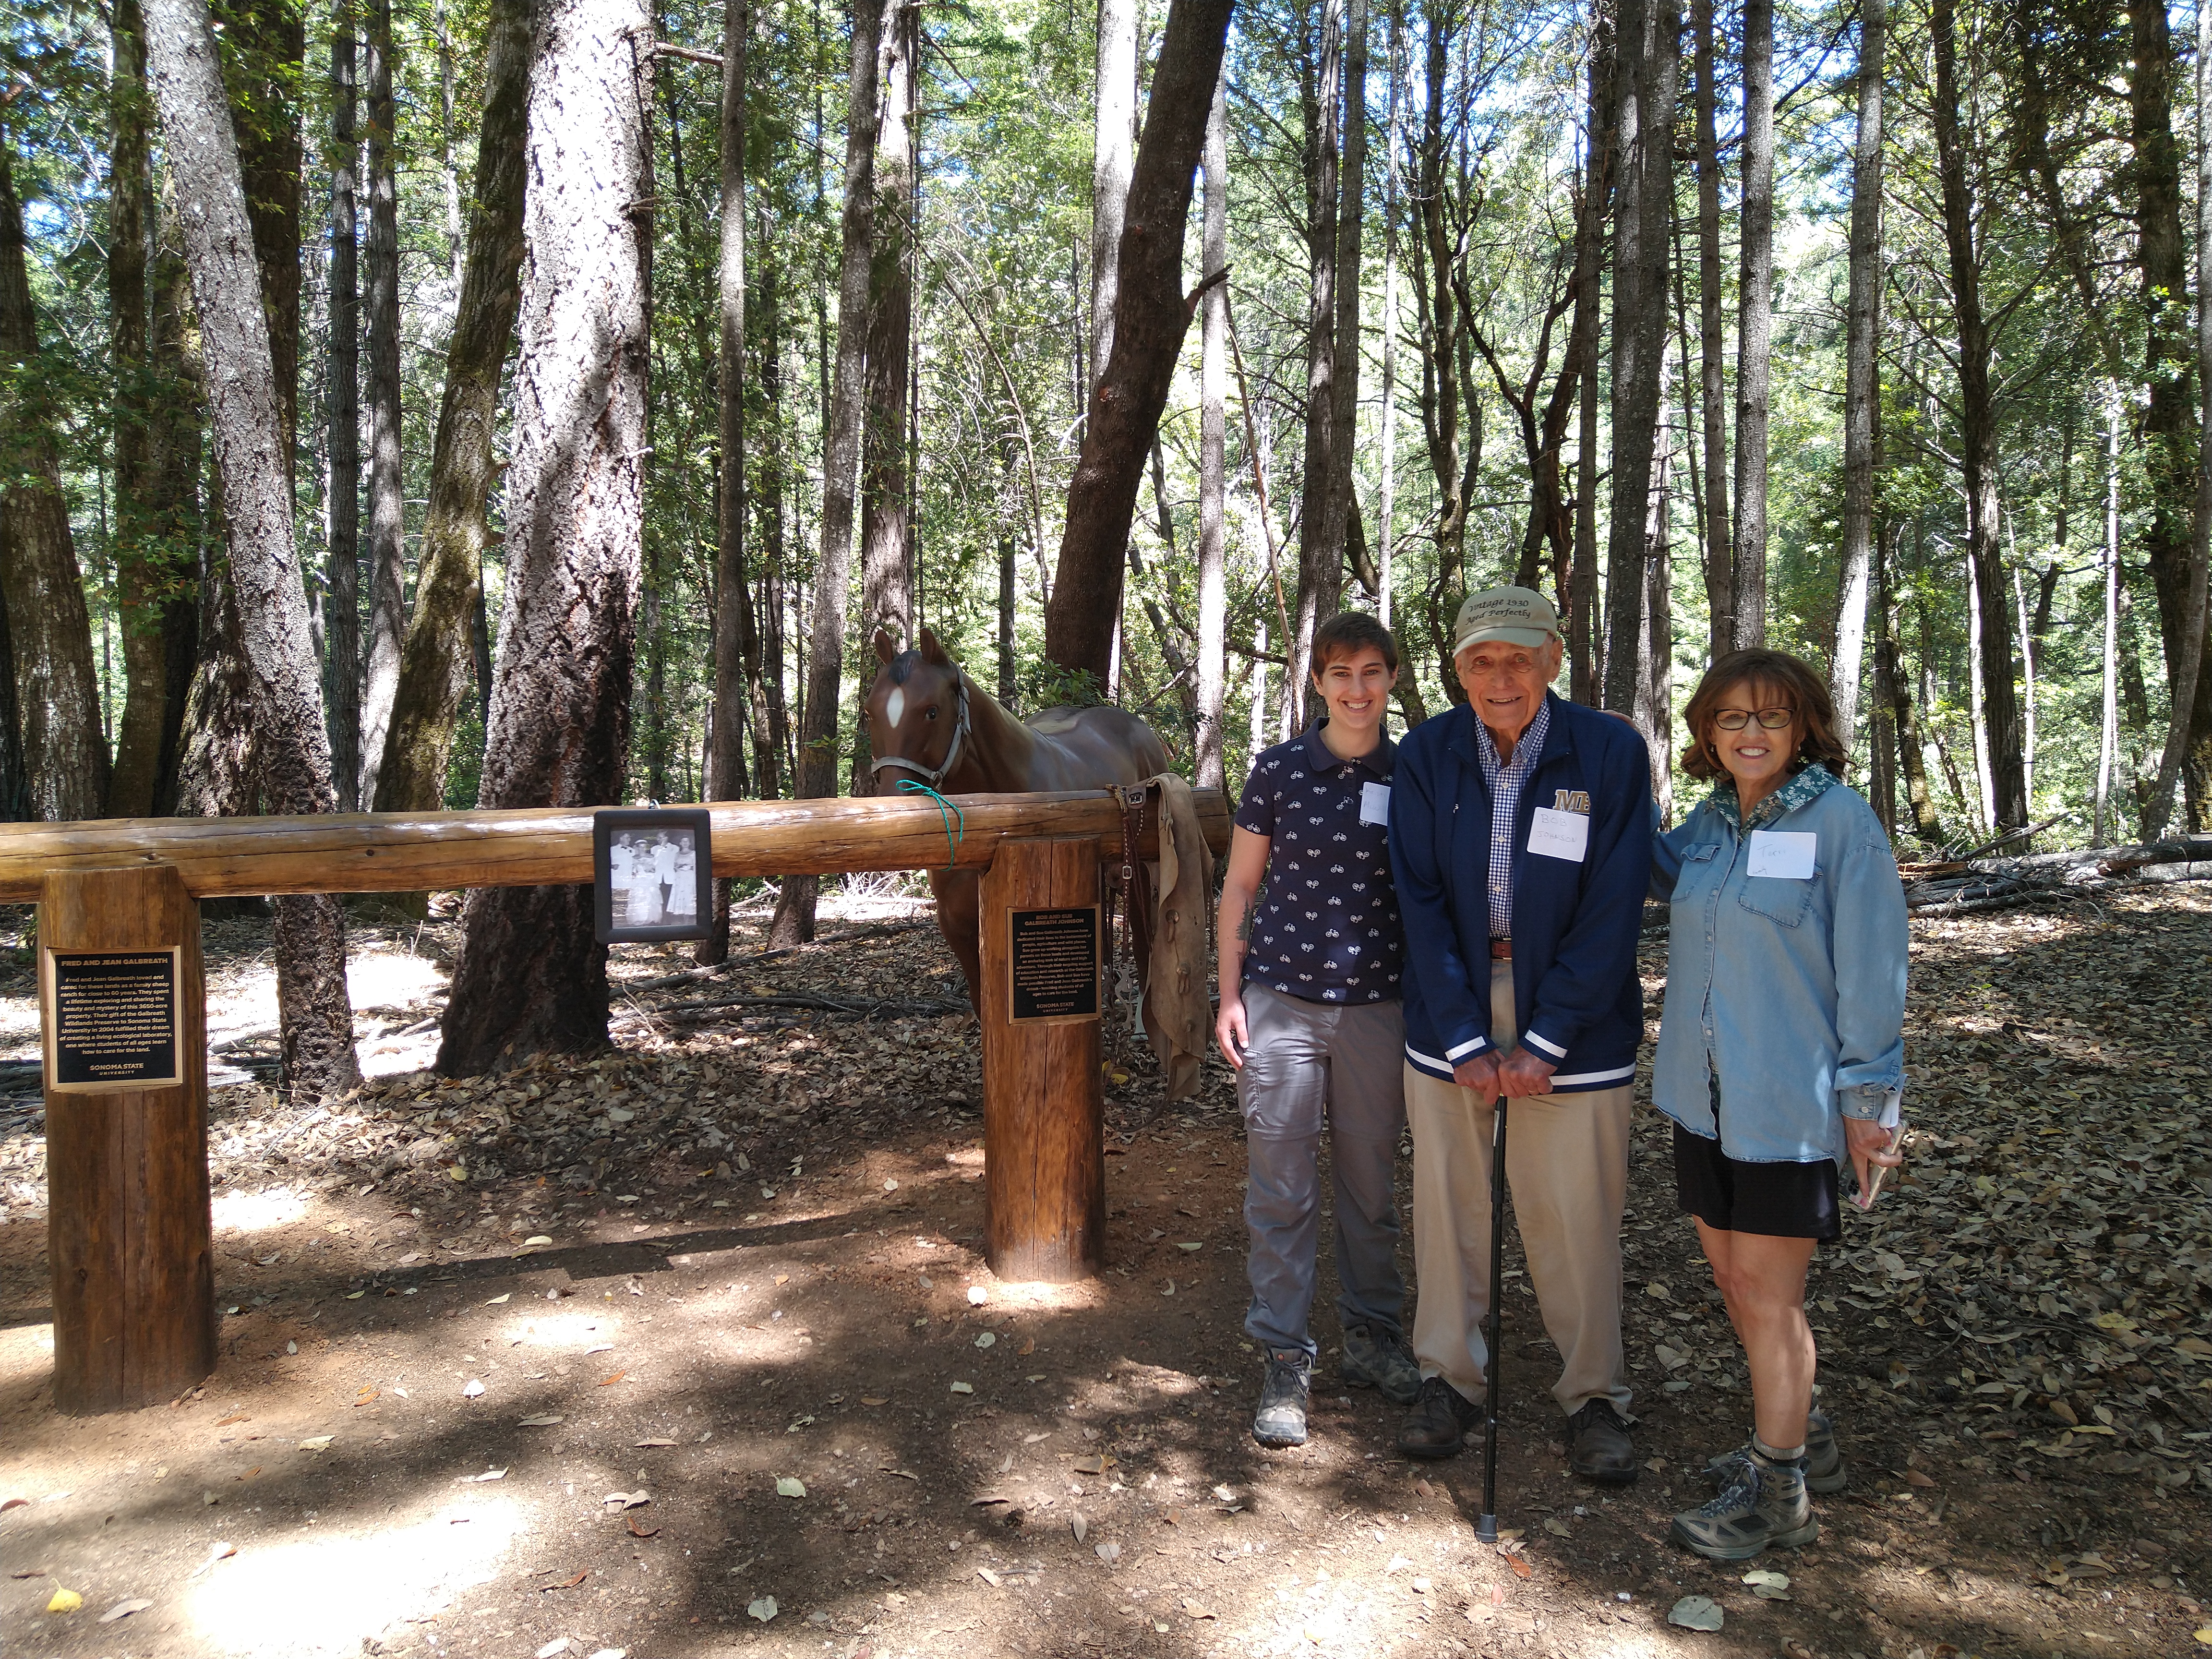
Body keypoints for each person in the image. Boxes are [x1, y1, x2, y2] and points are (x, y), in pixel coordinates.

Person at [1388, 586, 1651, 1483]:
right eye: (1479, 661)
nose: (1500, 677)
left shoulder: (1609, 752)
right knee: (1450, 1204)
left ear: (1553, 660)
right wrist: (1465, 1036)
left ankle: (1595, 1397)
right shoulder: (1425, 754)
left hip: (1577, 1017)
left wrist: (1547, 1038)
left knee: (1574, 1210)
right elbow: (1417, 900)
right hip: (1449, 1006)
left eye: (1518, 658)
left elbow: (1617, 902)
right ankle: (1449, 1380)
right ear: (1457, 669)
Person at [1650, 648, 1907, 1561]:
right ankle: (1808, 1436)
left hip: (1785, 1103)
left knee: (1769, 1295)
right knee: (1734, 1283)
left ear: (1804, 728)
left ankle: (1780, 1490)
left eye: (1771, 717)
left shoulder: (1843, 824)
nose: (1750, 733)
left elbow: (1875, 970)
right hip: (1701, 1094)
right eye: (1731, 718)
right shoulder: (1711, 825)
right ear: (1707, 734)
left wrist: (1870, 1101)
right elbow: (1650, 870)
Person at [1216, 611, 1420, 1448]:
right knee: (1283, 1187)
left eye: (1372, 671)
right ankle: (1284, 1358)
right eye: (1341, 673)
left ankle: (1373, 1337)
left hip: (1379, 1008)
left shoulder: (1416, 775)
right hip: (1282, 1005)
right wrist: (1231, 996)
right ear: (1317, 683)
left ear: (1392, 680)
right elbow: (1239, 888)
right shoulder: (1278, 772)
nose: (1357, 689)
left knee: (1372, 1187)